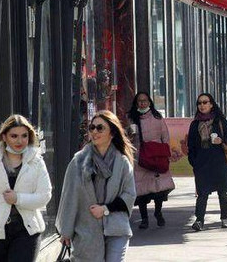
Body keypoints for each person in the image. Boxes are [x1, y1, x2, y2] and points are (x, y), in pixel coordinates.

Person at [0, 115, 52, 260]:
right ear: (4, 137)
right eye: (14, 136)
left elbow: (45, 195)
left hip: (27, 230)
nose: (20, 141)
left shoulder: (36, 161)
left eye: (24, 136)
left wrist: (18, 198)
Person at [57, 111, 136, 261]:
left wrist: (105, 210)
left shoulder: (122, 162)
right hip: (86, 230)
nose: (94, 132)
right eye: (92, 128)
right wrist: (66, 231)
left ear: (112, 133)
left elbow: (129, 195)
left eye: (100, 128)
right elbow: (69, 197)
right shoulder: (78, 162)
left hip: (116, 228)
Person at [188, 93, 227, 231]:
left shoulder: (220, 121)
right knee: (202, 193)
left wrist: (221, 140)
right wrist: (194, 161)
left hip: (219, 160)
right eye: (199, 103)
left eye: (205, 102)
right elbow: (190, 145)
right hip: (202, 162)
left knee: (223, 192)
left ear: (211, 104)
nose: (202, 105)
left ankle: (225, 218)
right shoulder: (195, 124)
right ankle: (199, 220)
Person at [128, 92, 174, 229]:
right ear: (136, 103)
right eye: (139, 101)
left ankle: (158, 213)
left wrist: (166, 153)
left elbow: (165, 136)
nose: (142, 103)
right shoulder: (132, 118)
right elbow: (127, 138)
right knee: (141, 191)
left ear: (149, 102)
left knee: (158, 190)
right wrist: (130, 134)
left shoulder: (157, 117)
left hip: (156, 156)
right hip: (139, 158)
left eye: (145, 101)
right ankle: (144, 219)